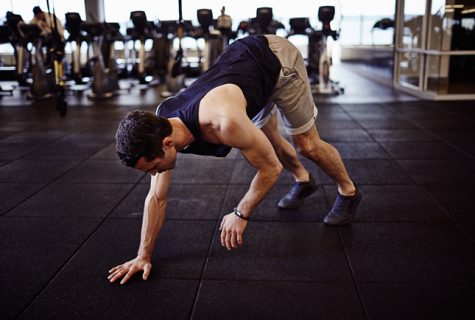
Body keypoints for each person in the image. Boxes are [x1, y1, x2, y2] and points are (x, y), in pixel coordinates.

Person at [109, 35, 361, 285]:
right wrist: (143, 255)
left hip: (277, 61)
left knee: (306, 144)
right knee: (266, 137)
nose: (155, 174)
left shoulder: (224, 122)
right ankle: (303, 180)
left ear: (167, 144)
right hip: (244, 71)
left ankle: (348, 191)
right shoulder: (161, 120)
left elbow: (271, 168)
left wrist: (241, 213)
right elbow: (156, 197)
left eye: (153, 168)